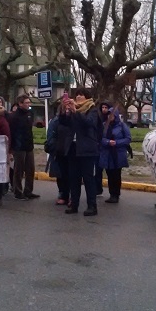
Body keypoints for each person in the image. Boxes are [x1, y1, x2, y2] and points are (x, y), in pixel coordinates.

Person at [60, 88, 102, 216]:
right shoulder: (74, 110)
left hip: (87, 149)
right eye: (77, 94)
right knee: (74, 179)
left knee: (88, 179)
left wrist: (75, 112)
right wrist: (64, 111)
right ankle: (74, 204)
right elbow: (64, 123)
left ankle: (92, 206)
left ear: (87, 97)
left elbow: (88, 123)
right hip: (73, 148)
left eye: (81, 95)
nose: (78, 97)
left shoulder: (92, 109)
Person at [98, 104, 132, 204]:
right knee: (109, 174)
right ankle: (111, 193)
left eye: (112, 115)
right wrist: (108, 142)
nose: (110, 117)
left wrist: (117, 143)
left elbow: (128, 139)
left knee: (116, 175)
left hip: (117, 154)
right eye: (109, 115)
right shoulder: (104, 125)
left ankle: (116, 194)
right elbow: (100, 138)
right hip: (107, 153)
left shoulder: (122, 126)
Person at [8, 94, 39, 200]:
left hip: (29, 146)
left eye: (29, 102)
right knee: (19, 170)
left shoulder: (30, 114)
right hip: (19, 146)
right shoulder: (14, 116)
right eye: (26, 103)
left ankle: (28, 191)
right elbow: (11, 132)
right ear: (20, 104)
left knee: (30, 169)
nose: (28, 104)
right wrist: (11, 148)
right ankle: (17, 191)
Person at [45, 104, 72, 206]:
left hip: (71, 151)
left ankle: (71, 195)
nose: (67, 110)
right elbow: (50, 136)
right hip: (59, 152)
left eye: (69, 108)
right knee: (60, 175)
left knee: (71, 174)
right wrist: (54, 147)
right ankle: (63, 194)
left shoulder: (73, 120)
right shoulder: (55, 121)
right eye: (65, 108)